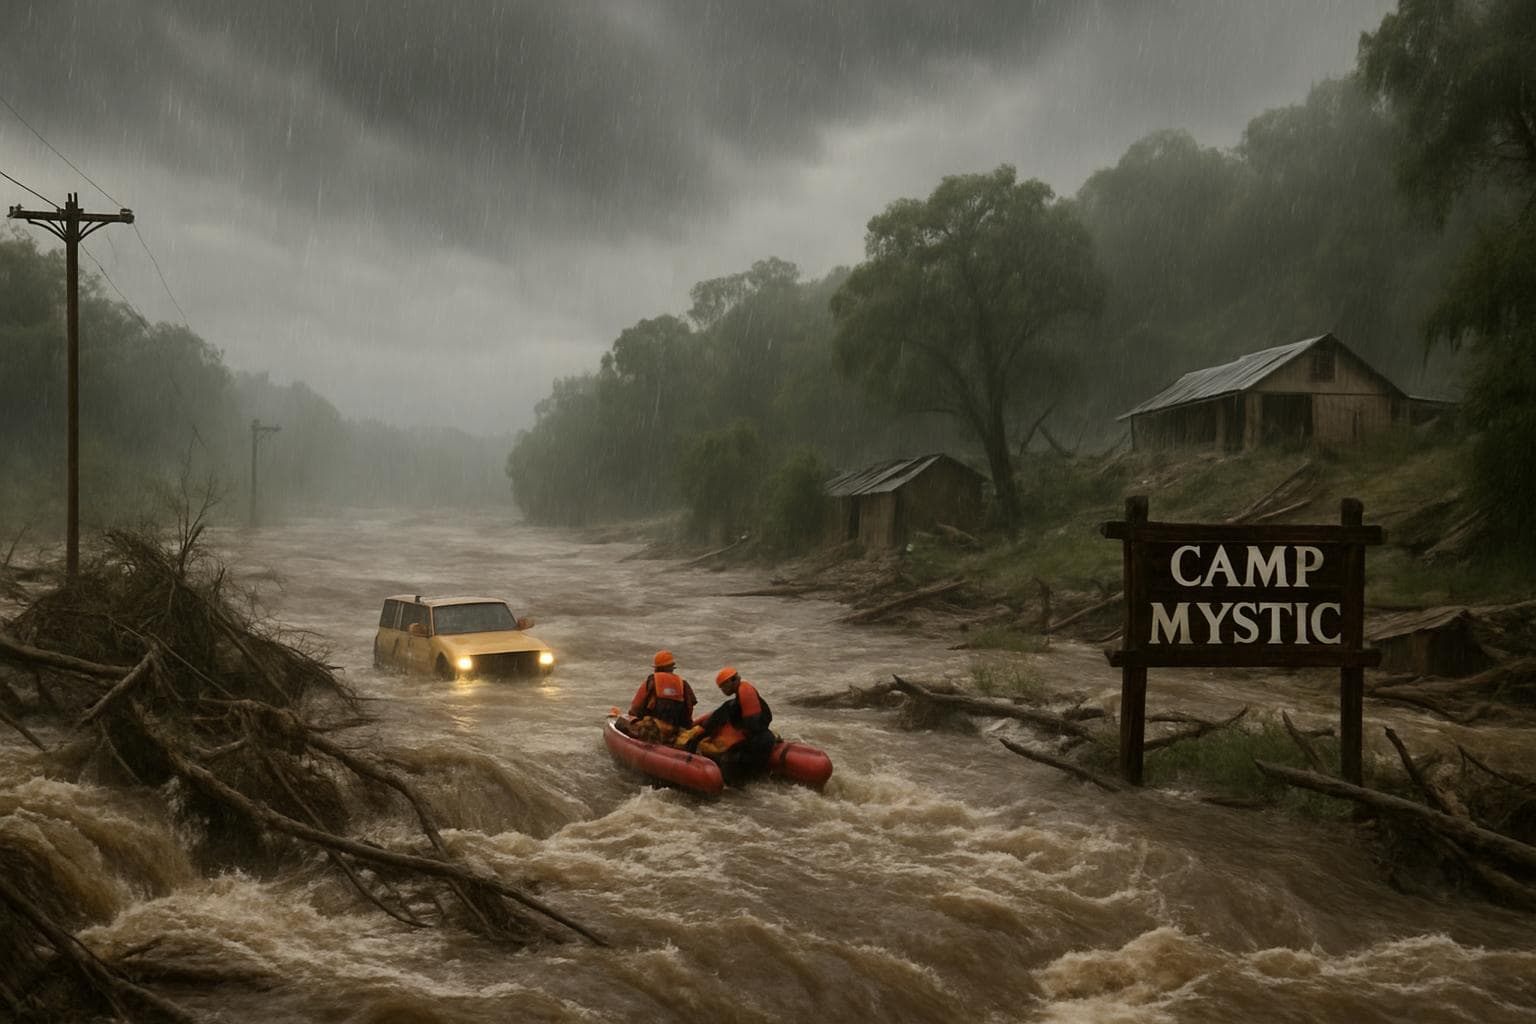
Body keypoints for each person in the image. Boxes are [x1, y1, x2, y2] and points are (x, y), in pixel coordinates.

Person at [689, 666, 776, 776]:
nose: (723, 690)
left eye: (723, 686)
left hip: (758, 743)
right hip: (764, 739)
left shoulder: (745, 692)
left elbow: (753, 726)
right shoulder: (744, 694)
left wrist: (696, 738)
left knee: (727, 760)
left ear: (733, 681)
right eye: (721, 688)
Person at [625, 650, 697, 743]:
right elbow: (689, 711)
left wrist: (633, 720)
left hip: (652, 730)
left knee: (622, 722)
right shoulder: (684, 684)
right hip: (675, 732)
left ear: (657, 668)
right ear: (672, 668)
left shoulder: (651, 682)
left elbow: (635, 708)